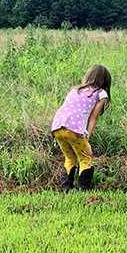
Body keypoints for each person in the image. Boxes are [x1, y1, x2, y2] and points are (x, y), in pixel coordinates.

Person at [52, 64, 111, 192]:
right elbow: (93, 118)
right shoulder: (101, 93)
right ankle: (82, 190)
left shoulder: (75, 89)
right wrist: (87, 138)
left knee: (70, 158)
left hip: (57, 126)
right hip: (73, 129)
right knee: (85, 157)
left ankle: (66, 189)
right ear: (106, 81)